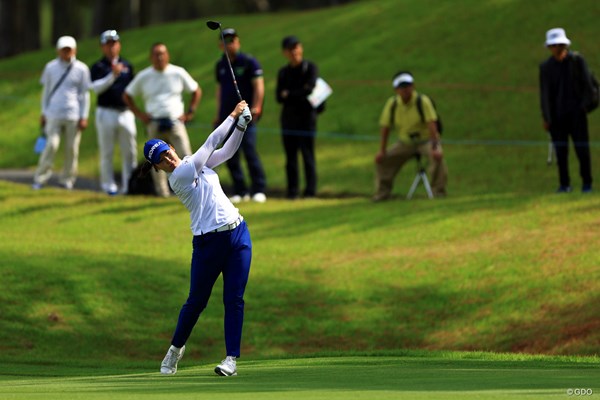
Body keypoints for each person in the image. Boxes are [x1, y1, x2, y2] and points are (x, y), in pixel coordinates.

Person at [144, 101, 252, 377]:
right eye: (162, 161)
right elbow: (212, 140)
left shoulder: (195, 163)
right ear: (158, 168)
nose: (169, 160)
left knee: (234, 298)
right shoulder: (179, 177)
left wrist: (241, 126)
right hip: (208, 244)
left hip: (238, 232)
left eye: (167, 153)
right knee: (196, 301)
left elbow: (226, 151)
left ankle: (231, 359)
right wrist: (233, 114)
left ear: (172, 148)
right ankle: (175, 350)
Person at [123, 42, 201, 197]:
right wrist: (140, 115)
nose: (159, 57)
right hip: (154, 122)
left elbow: (196, 90)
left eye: (162, 53)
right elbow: (127, 95)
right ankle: (162, 193)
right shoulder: (144, 76)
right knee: (156, 161)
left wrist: (190, 112)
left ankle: (193, 190)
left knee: (186, 156)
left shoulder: (177, 73)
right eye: (156, 54)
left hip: (175, 121)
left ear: (167, 55)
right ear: (151, 57)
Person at [373, 71, 447, 201]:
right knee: (383, 160)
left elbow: (432, 125)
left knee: (437, 157)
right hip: (405, 142)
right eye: (402, 87)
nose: (406, 90)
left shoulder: (422, 101)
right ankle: (382, 193)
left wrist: (435, 147)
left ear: (413, 86)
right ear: (396, 90)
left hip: (426, 140)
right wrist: (382, 151)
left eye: (408, 86)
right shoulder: (392, 104)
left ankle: (438, 192)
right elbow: (385, 127)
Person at [214, 28, 267, 203]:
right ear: (221, 45)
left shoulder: (249, 62)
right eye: (226, 41)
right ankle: (240, 190)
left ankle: (258, 189)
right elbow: (220, 90)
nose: (230, 44)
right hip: (227, 116)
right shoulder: (221, 65)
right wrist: (217, 113)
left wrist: (257, 106)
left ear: (238, 42)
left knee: (249, 151)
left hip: (246, 115)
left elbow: (258, 85)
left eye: (233, 40)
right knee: (229, 153)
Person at [32, 36, 91, 190]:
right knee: (51, 145)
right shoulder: (50, 67)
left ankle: (67, 179)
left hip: (73, 115)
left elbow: (85, 95)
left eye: (69, 49)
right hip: (53, 114)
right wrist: (43, 112)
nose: (66, 52)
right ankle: (40, 177)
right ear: (58, 51)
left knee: (72, 149)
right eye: (64, 49)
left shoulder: (82, 69)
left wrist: (84, 116)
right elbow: (46, 92)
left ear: (74, 50)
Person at [539, 27, 594, 193]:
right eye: (554, 45)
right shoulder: (546, 68)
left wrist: (584, 107)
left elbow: (589, 86)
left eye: (560, 44)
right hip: (557, 118)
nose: (558, 48)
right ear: (549, 47)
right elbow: (545, 94)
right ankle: (564, 184)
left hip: (577, 115)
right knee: (561, 154)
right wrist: (547, 118)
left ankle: (587, 183)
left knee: (582, 150)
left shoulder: (577, 61)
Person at [90, 29, 137, 195]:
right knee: (107, 151)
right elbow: (95, 88)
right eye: (108, 44)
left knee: (130, 151)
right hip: (105, 112)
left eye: (114, 44)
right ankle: (108, 186)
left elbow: (132, 88)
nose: (112, 47)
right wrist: (112, 75)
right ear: (102, 47)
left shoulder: (128, 65)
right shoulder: (98, 67)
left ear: (119, 45)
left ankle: (129, 185)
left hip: (125, 112)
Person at [276, 35, 320, 199]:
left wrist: (290, 94)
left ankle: (310, 191)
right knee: (290, 158)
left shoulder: (310, 68)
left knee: (308, 155)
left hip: (307, 120)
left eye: (296, 47)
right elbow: (279, 97)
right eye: (290, 48)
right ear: (285, 52)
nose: (294, 51)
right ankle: (292, 191)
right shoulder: (283, 72)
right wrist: (299, 93)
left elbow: (310, 89)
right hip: (288, 120)